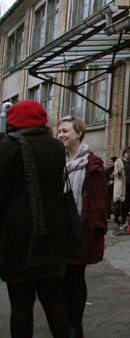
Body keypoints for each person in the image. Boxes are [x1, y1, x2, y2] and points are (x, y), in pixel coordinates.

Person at [0, 100, 76, 338]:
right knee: (54, 301)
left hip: (18, 240)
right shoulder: (55, 147)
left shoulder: (7, 148)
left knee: (21, 305)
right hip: (54, 237)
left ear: (11, 122)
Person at [57, 115, 108, 338]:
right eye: (59, 131)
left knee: (75, 277)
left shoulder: (91, 163)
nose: (61, 135)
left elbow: (98, 200)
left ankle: (75, 326)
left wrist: (92, 231)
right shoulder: (58, 161)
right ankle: (65, 321)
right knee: (60, 279)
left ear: (79, 133)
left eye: (65, 131)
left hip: (79, 228)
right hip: (59, 228)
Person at [113, 147, 130, 227]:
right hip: (121, 186)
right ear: (123, 153)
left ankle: (124, 222)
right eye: (126, 152)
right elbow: (115, 174)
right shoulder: (118, 161)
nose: (128, 153)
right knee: (119, 203)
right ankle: (116, 217)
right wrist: (119, 171)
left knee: (127, 204)